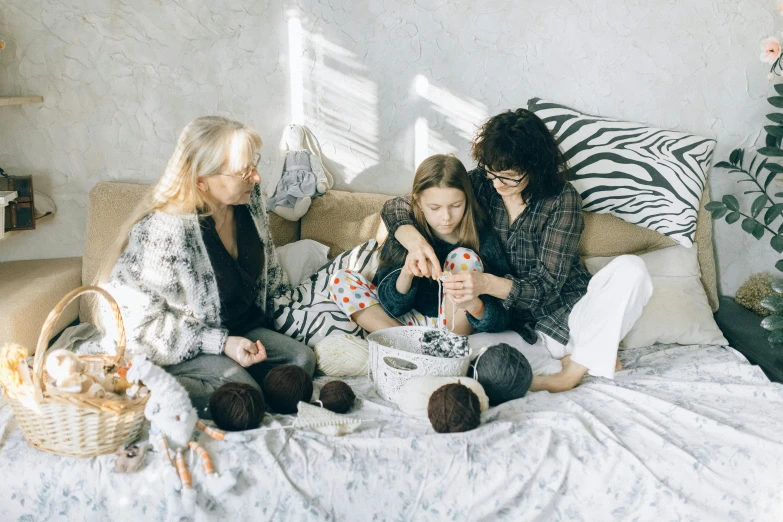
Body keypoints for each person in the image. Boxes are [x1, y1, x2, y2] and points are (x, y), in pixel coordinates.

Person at [381, 109, 653, 392]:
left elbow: (546, 287)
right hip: (515, 331)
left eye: (509, 176)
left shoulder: (561, 198)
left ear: (534, 167)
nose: (497, 183)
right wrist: (416, 243)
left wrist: (486, 283)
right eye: (491, 172)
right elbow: (396, 206)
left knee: (632, 269)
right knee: (450, 357)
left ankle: (571, 373)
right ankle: (594, 356)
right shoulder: (481, 185)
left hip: (570, 319)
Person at [96, 116, 315, 415]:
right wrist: (220, 343)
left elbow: (271, 275)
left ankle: (246, 391)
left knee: (302, 361)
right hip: (188, 342)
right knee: (242, 393)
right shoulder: (163, 232)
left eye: (256, 164)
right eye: (244, 171)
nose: (257, 178)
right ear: (202, 180)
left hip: (244, 329)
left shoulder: (249, 204)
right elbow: (137, 327)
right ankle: (137, 389)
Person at [329, 154, 510, 336]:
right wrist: (406, 274)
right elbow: (391, 305)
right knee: (340, 280)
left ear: (467, 200)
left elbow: (502, 317)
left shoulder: (483, 236)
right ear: (418, 202)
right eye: (435, 208)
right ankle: (409, 343)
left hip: (452, 329)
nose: (446, 217)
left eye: (456, 205)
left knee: (463, 257)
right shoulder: (409, 231)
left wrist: (473, 305)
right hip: (404, 323)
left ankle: (446, 345)